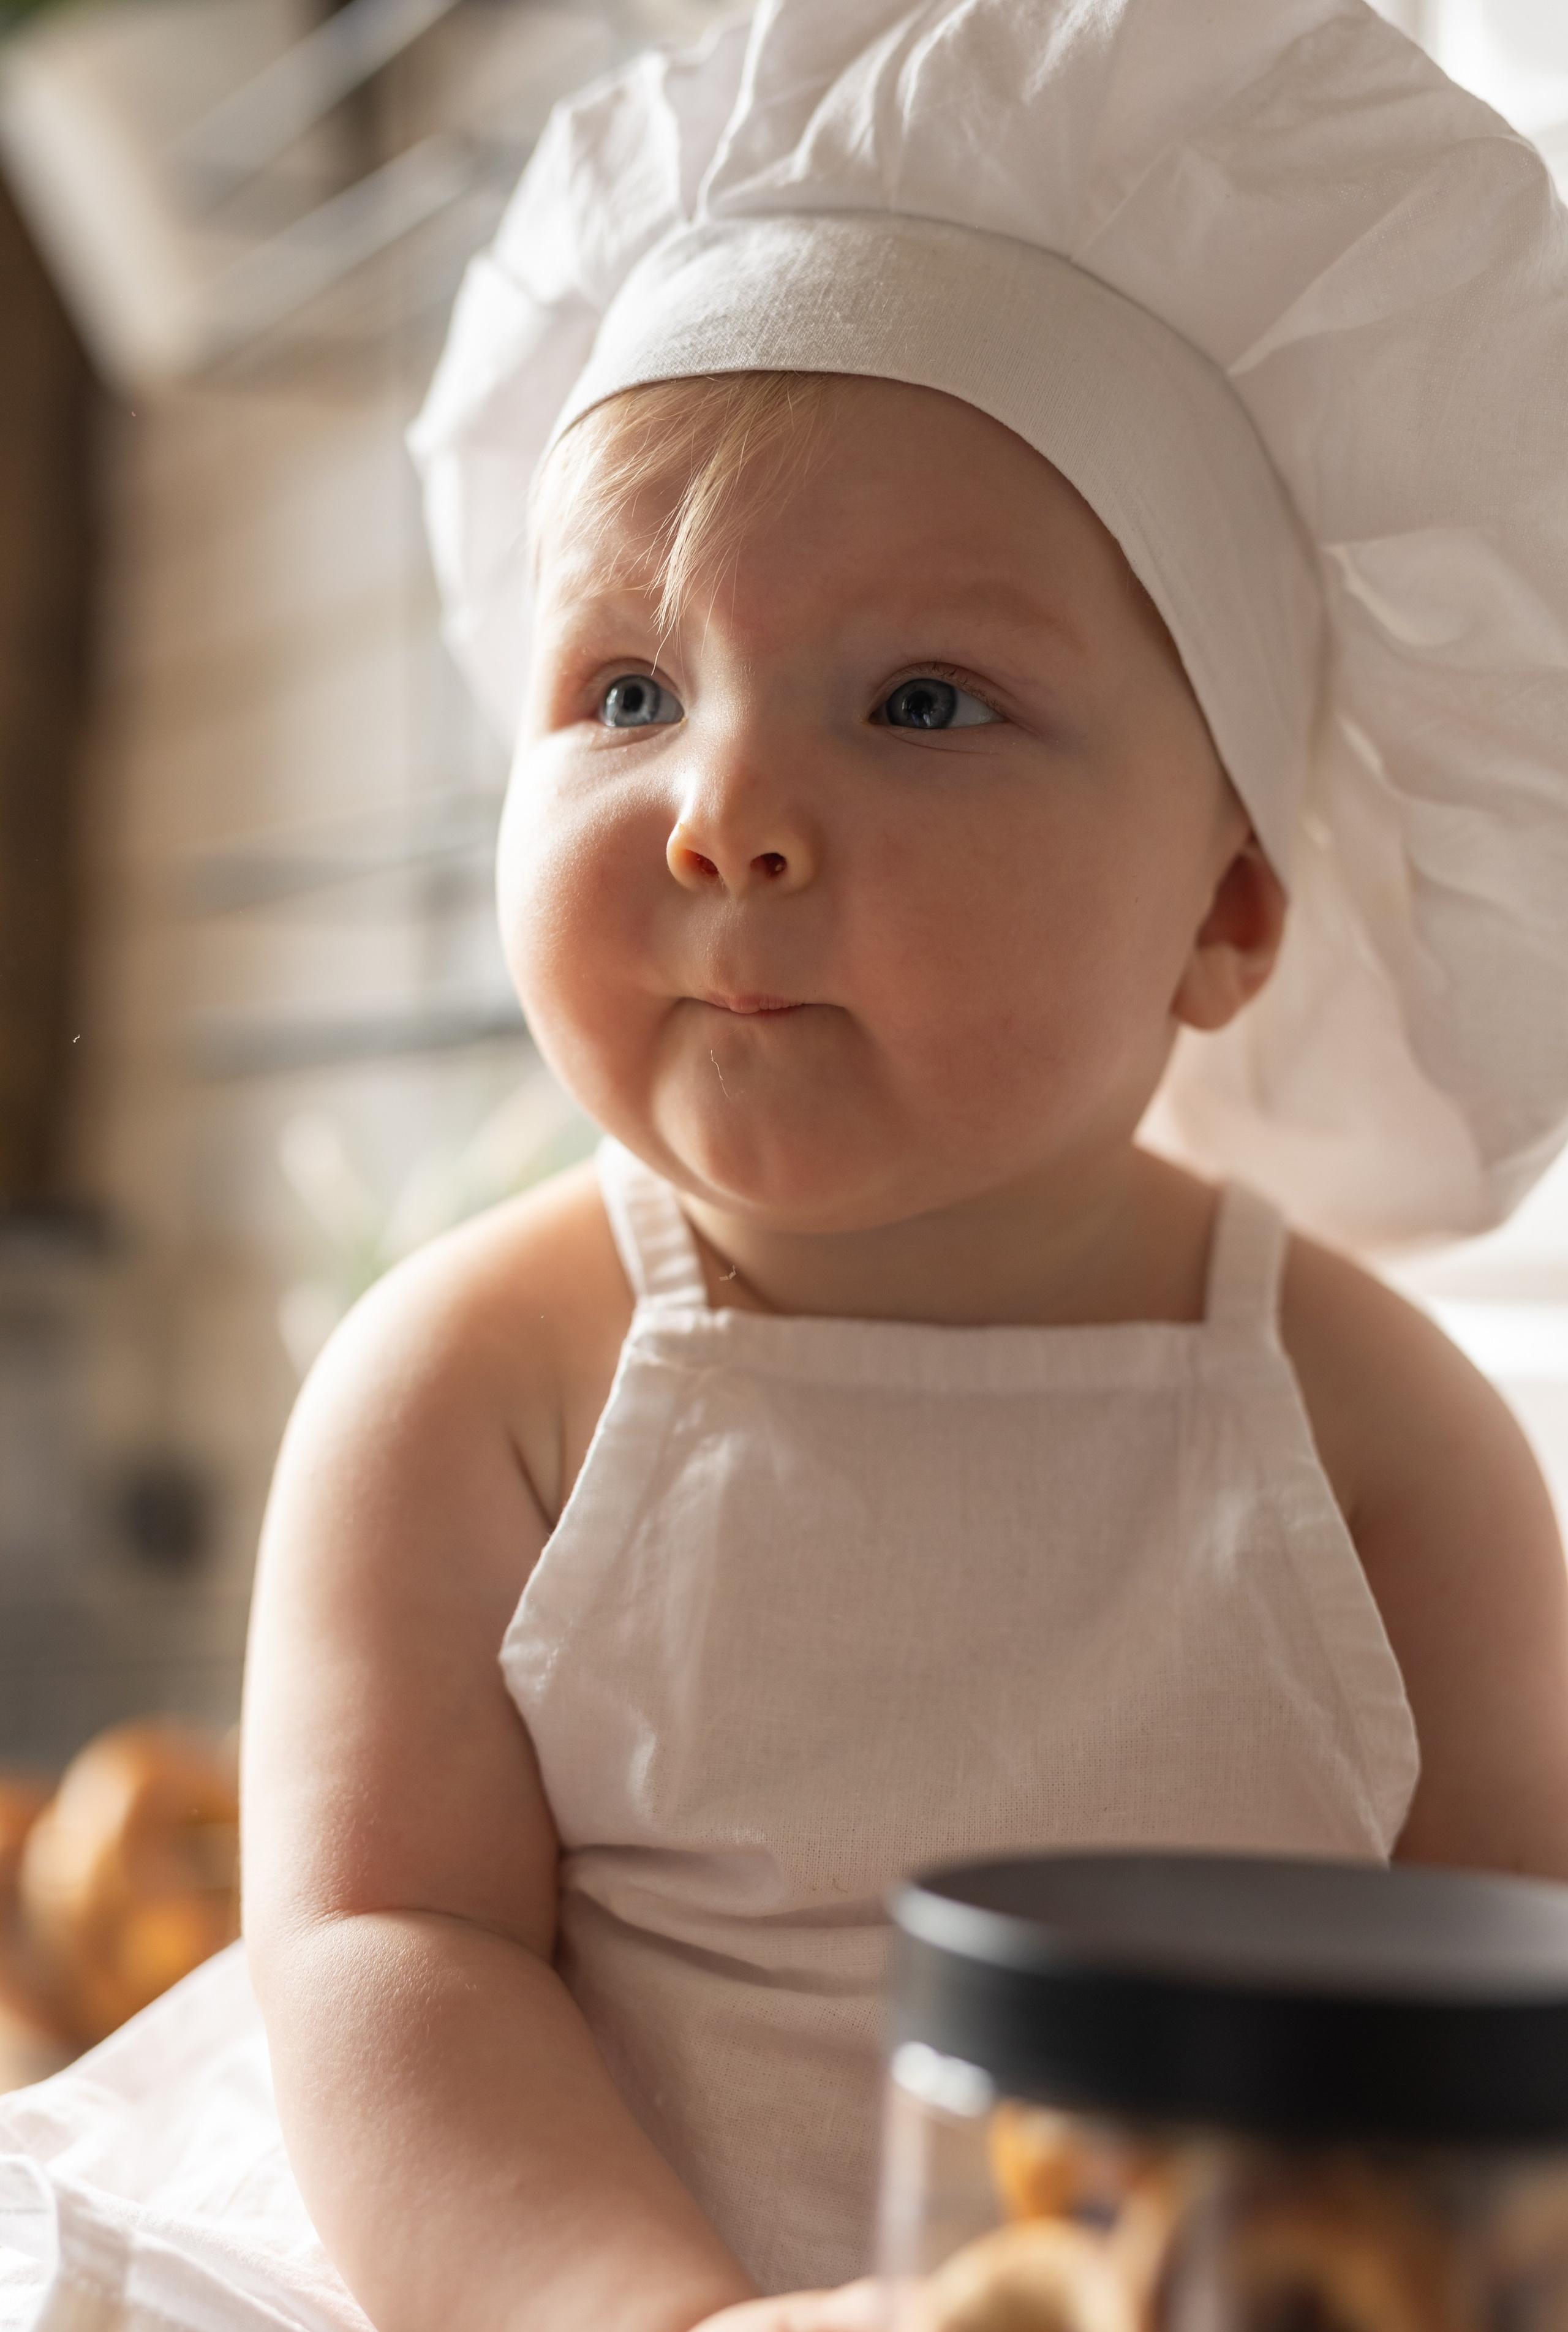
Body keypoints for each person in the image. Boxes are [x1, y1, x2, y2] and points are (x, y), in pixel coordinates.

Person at [6, 2, 1568, 2330]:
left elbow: (1502, 2022)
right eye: (627, 690)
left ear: (1230, 901)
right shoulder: (481, 1391)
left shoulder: (1380, 1441)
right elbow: (389, 1947)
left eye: (922, 698)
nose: (718, 807)